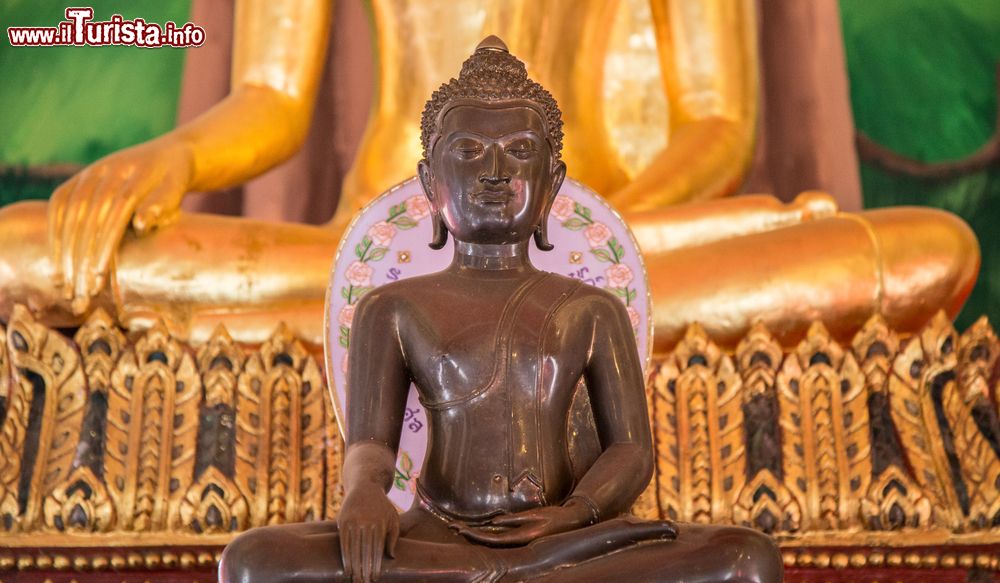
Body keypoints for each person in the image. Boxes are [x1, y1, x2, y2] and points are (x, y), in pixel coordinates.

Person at [0, 0, 979, 351]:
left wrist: (584, 233)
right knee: (24, 254)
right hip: (367, 249)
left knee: (921, 251)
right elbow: (267, 91)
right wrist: (169, 158)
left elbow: (717, 121)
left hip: (596, 247)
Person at [217, 38, 782, 583]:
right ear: (431, 182)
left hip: (563, 542)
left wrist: (575, 515)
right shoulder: (392, 307)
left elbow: (631, 450)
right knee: (254, 564)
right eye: (467, 151)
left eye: (518, 151)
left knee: (746, 561)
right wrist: (363, 496)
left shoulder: (592, 308)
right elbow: (372, 445)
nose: (494, 172)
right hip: (434, 539)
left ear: (552, 184)